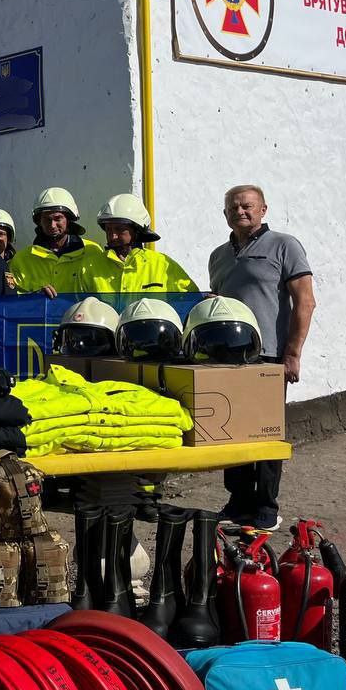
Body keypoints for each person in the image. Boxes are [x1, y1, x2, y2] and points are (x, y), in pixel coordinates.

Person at [209, 185, 316, 531]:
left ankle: (266, 507)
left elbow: (305, 302)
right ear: (226, 213)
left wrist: (293, 353)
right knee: (233, 433)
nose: (241, 211)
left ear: (263, 209)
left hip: (268, 356)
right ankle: (239, 503)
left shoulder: (285, 246)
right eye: (234, 207)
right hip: (228, 358)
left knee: (267, 434)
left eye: (248, 206)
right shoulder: (218, 255)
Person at [86, 194, 197, 294]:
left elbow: (192, 303)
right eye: (108, 229)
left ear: (137, 230)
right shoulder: (90, 268)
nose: (113, 236)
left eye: (119, 229)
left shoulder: (163, 265)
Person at [9, 187, 105, 296]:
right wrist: (35, 298)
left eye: (57, 218)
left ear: (69, 219)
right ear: (39, 222)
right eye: (47, 219)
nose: (52, 225)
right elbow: (13, 302)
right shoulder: (22, 260)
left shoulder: (92, 252)